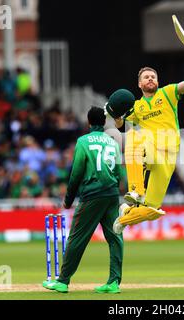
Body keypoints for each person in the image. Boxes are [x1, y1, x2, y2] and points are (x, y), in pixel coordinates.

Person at [112, 57, 184, 234]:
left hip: (169, 156)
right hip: (150, 146)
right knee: (134, 138)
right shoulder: (136, 107)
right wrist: (113, 112)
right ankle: (136, 190)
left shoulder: (167, 93)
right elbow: (121, 125)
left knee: (153, 209)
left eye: (153, 76)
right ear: (139, 84)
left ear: (158, 81)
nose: (150, 79)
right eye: (146, 77)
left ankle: (125, 216)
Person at [42, 107, 124, 294]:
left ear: (88, 122)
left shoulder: (83, 141)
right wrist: (112, 190)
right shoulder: (112, 142)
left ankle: (63, 281)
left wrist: (69, 199)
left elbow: (76, 172)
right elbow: (119, 172)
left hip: (92, 195)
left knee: (77, 238)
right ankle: (113, 283)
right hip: (111, 194)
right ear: (104, 123)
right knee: (115, 237)